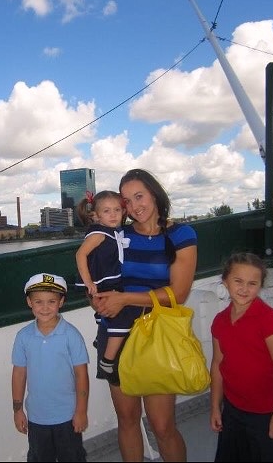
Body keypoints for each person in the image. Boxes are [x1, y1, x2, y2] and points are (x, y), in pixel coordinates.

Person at [91, 168, 198, 462]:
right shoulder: (116, 235)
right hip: (117, 336)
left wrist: (124, 298)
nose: (134, 205)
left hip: (157, 338)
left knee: (162, 426)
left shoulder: (179, 235)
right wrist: (99, 300)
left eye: (139, 196)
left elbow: (178, 293)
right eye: (126, 201)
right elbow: (98, 279)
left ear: (154, 193)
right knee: (127, 420)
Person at [209, 252, 273, 462]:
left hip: (266, 413)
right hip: (233, 411)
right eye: (238, 281)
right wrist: (215, 407)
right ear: (225, 282)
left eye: (252, 283)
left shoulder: (270, 321)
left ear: (260, 286)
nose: (244, 289)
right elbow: (218, 364)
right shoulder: (220, 321)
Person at [11, 273, 90, 462]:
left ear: (61, 302)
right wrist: (17, 409)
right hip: (37, 417)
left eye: (51, 301)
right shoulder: (23, 337)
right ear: (29, 302)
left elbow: (81, 375)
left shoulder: (71, 335)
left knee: (72, 457)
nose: (45, 308)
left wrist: (81, 411)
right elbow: (19, 374)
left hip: (68, 416)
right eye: (38, 302)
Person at [75, 190, 129, 385]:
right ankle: (108, 360)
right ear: (95, 216)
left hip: (113, 280)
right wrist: (88, 282)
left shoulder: (115, 232)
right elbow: (81, 254)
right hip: (104, 282)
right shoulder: (99, 233)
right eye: (107, 211)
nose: (113, 215)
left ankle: (102, 337)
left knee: (110, 313)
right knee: (123, 317)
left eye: (117, 210)